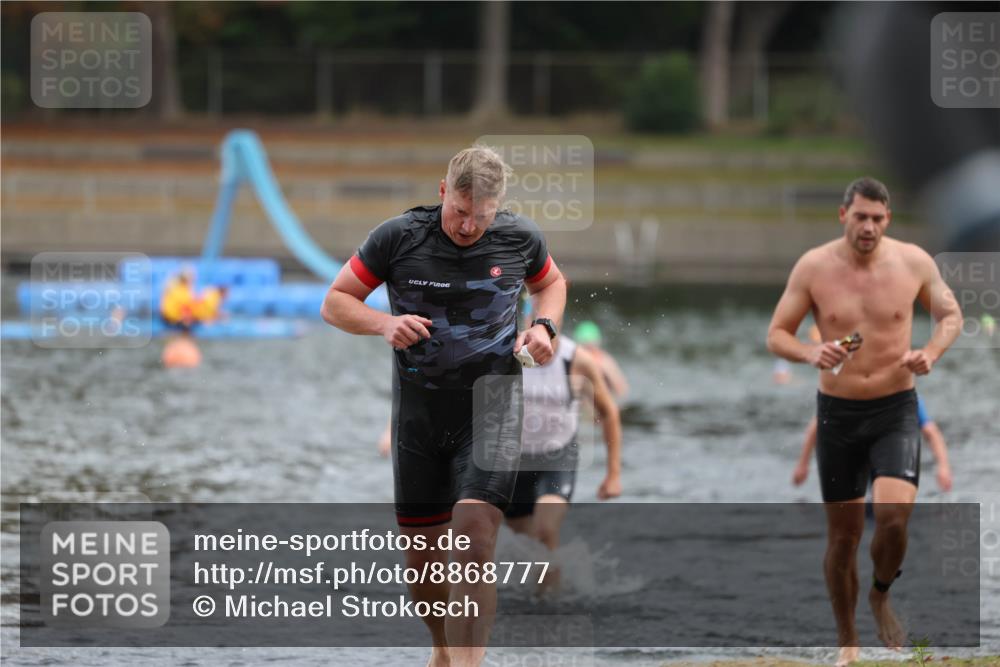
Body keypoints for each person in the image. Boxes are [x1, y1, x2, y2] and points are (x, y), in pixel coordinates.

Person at [321, 145, 567, 667]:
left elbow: (551, 284)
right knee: (425, 565)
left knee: (475, 538)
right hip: (418, 416)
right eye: (459, 212)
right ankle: (443, 653)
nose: (467, 227)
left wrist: (544, 327)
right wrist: (384, 323)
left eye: (481, 216)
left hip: (492, 407)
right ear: (442, 193)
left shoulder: (519, 238)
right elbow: (336, 302)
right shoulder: (398, 238)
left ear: (497, 207)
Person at [766, 177, 962, 667]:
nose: (869, 226)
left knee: (894, 521)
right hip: (838, 415)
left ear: (887, 220)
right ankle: (847, 640)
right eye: (861, 217)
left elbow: (951, 316)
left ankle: (880, 592)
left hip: (895, 408)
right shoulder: (813, 266)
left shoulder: (913, 262)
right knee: (844, 538)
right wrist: (812, 350)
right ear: (843, 216)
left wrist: (931, 352)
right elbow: (776, 335)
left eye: (877, 218)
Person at [504, 325, 623, 590]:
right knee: (523, 543)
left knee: (545, 531)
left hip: (557, 459)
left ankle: (550, 604)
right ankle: (533, 595)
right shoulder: (509, 350)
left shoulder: (577, 360)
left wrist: (613, 474)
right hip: (515, 460)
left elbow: (609, 412)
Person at [792, 396, 953, 492]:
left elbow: (931, 433)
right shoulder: (850, 391)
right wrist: (803, 464)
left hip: (887, 459)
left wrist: (943, 467)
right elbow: (818, 424)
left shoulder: (906, 399)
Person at [572, 320, 629, 401]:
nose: (589, 355)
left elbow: (621, 389)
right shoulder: (575, 362)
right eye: (586, 349)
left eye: (591, 349)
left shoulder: (605, 361)